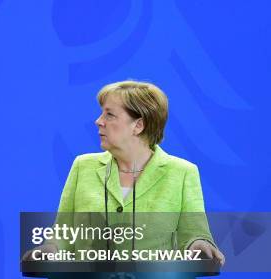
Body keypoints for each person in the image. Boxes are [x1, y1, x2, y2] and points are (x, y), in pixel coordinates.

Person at [48, 80, 224, 264]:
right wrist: (49, 249)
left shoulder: (182, 173)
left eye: (109, 115)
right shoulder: (83, 166)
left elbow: (194, 235)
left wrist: (199, 245)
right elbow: (64, 233)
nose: (98, 121)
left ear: (138, 125)